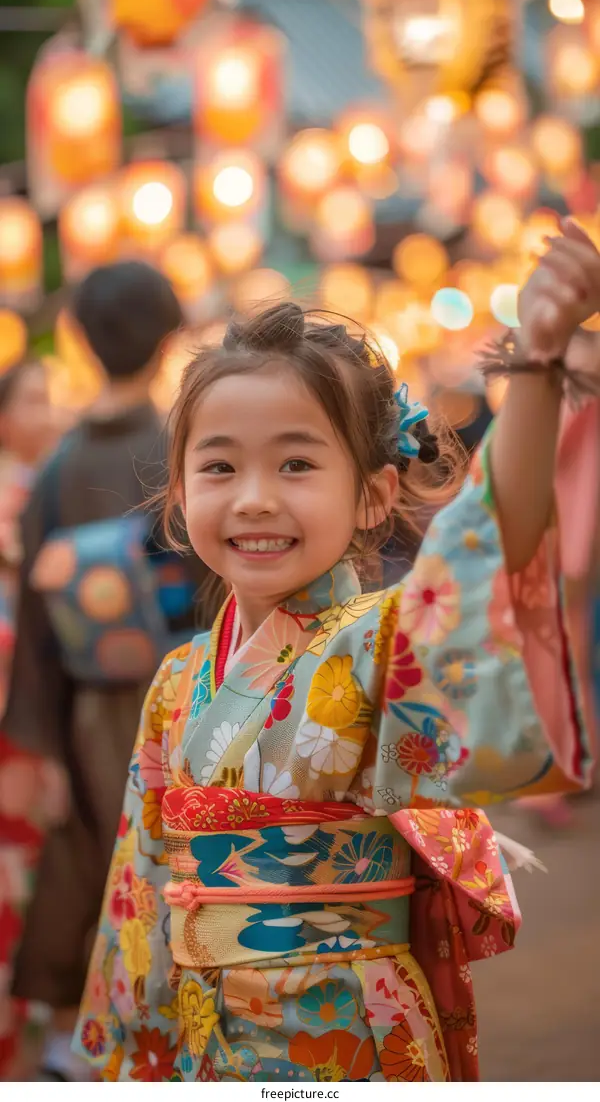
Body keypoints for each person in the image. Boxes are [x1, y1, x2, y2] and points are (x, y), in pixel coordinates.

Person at [73, 222, 597, 1083]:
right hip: (203, 1044)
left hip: (344, 1032)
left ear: (374, 493)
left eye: (295, 464)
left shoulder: (377, 645)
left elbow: (484, 557)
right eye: (218, 468)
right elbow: (139, 900)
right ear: (178, 490)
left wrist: (536, 368)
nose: (253, 500)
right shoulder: (177, 683)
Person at [1, 262, 210, 1081]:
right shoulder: (187, 447)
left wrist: (35, 742)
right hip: (192, 691)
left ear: (84, 343)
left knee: (97, 853)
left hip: (90, 702)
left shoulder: (57, 468)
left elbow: (41, 621)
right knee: (186, 859)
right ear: (167, 339)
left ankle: (84, 1034)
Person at [0, 359, 65, 1079]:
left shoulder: (45, 489)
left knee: (25, 890)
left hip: (25, 723)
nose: (48, 415)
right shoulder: (29, 495)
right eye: (34, 401)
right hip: (13, 716)